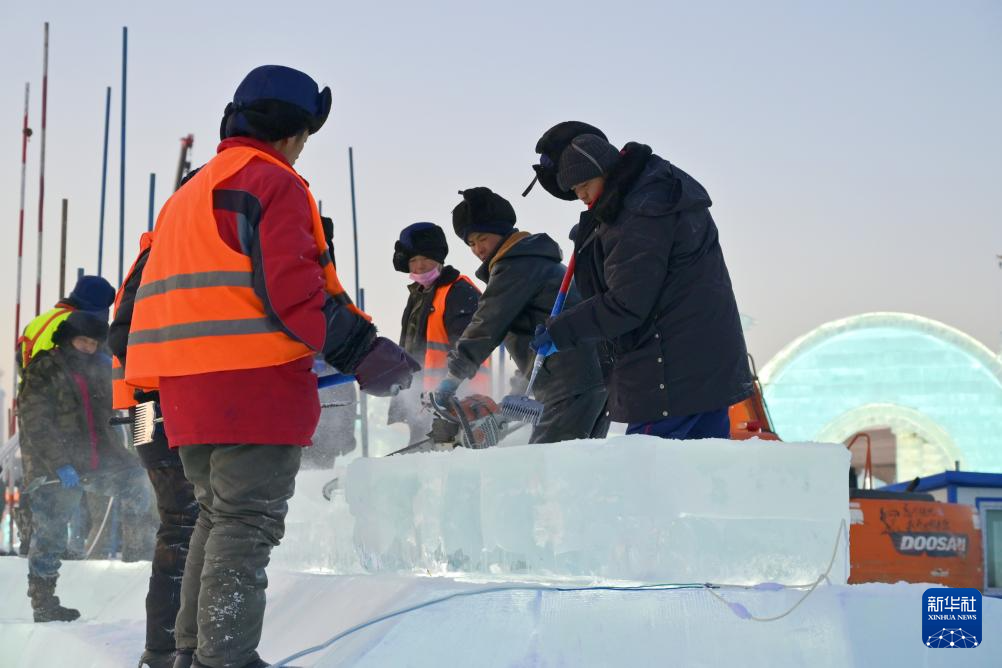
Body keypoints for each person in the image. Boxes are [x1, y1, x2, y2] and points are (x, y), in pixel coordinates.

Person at [123, 65, 418, 668]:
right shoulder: (271, 181)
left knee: (211, 518)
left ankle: (188, 653)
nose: (303, 148)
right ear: (292, 130)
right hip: (251, 388)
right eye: (306, 136)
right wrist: (365, 353)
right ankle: (226, 657)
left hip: (178, 395)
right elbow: (295, 293)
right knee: (244, 524)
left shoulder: (188, 195)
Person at [527, 122, 753, 439]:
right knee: (703, 467)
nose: (581, 196)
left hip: (670, 376)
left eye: (584, 185)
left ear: (604, 169)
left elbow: (626, 304)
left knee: (646, 469)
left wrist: (561, 330)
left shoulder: (640, 211)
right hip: (705, 369)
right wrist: (596, 237)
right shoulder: (655, 190)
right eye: (575, 191)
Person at [434, 187, 608, 444]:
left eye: (482, 238)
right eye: (470, 243)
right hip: (594, 377)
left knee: (550, 463)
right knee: (582, 463)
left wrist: (453, 376)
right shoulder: (535, 261)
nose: (478, 249)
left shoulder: (516, 264)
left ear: (502, 231)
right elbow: (533, 337)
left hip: (569, 384)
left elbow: (487, 324)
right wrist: (519, 388)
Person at [18, 310, 150, 622]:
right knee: (51, 535)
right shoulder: (44, 369)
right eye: (82, 341)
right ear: (67, 338)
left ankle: (138, 560)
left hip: (98, 461)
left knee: (139, 483)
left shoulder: (101, 369)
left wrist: (129, 454)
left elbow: (120, 408)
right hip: (54, 468)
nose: (88, 348)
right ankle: (43, 602)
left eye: (93, 343)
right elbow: (35, 421)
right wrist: (60, 464)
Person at [109, 232, 201, 668]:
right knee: (185, 520)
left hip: (144, 409)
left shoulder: (152, 256)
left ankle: (165, 647)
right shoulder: (167, 255)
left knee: (179, 520)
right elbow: (124, 339)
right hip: (158, 405)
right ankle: (168, 648)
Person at [13, 275, 116, 554]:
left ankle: (30, 544)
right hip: (64, 419)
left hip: (35, 412)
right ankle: (71, 550)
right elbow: (70, 370)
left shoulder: (39, 322)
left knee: (39, 487)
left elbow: (23, 364)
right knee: (64, 493)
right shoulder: (73, 325)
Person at [389, 222, 485, 443]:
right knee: (421, 454)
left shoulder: (459, 291)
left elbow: (468, 346)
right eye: (413, 260)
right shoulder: (419, 295)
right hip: (423, 401)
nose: (419, 265)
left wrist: (451, 393)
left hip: (455, 400)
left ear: (439, 257)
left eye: (425, 257)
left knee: (452, 455)